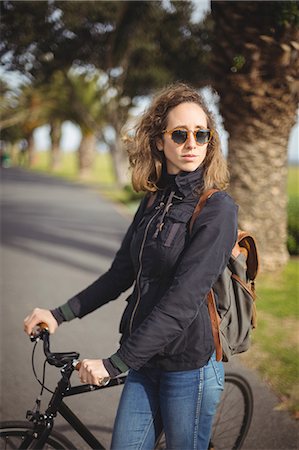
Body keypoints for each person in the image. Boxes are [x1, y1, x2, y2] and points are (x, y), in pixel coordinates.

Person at [24, 82, 238, 450]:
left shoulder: (218, 209)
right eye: (180, 134)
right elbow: (120, 273)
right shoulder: (155, 199)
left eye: (201, 134)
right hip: (144, 359)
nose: (191, 143)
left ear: (209, 141)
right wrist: (59, 314)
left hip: (188, 367)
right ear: (159, 141)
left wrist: (115, 364)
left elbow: (183, 301)